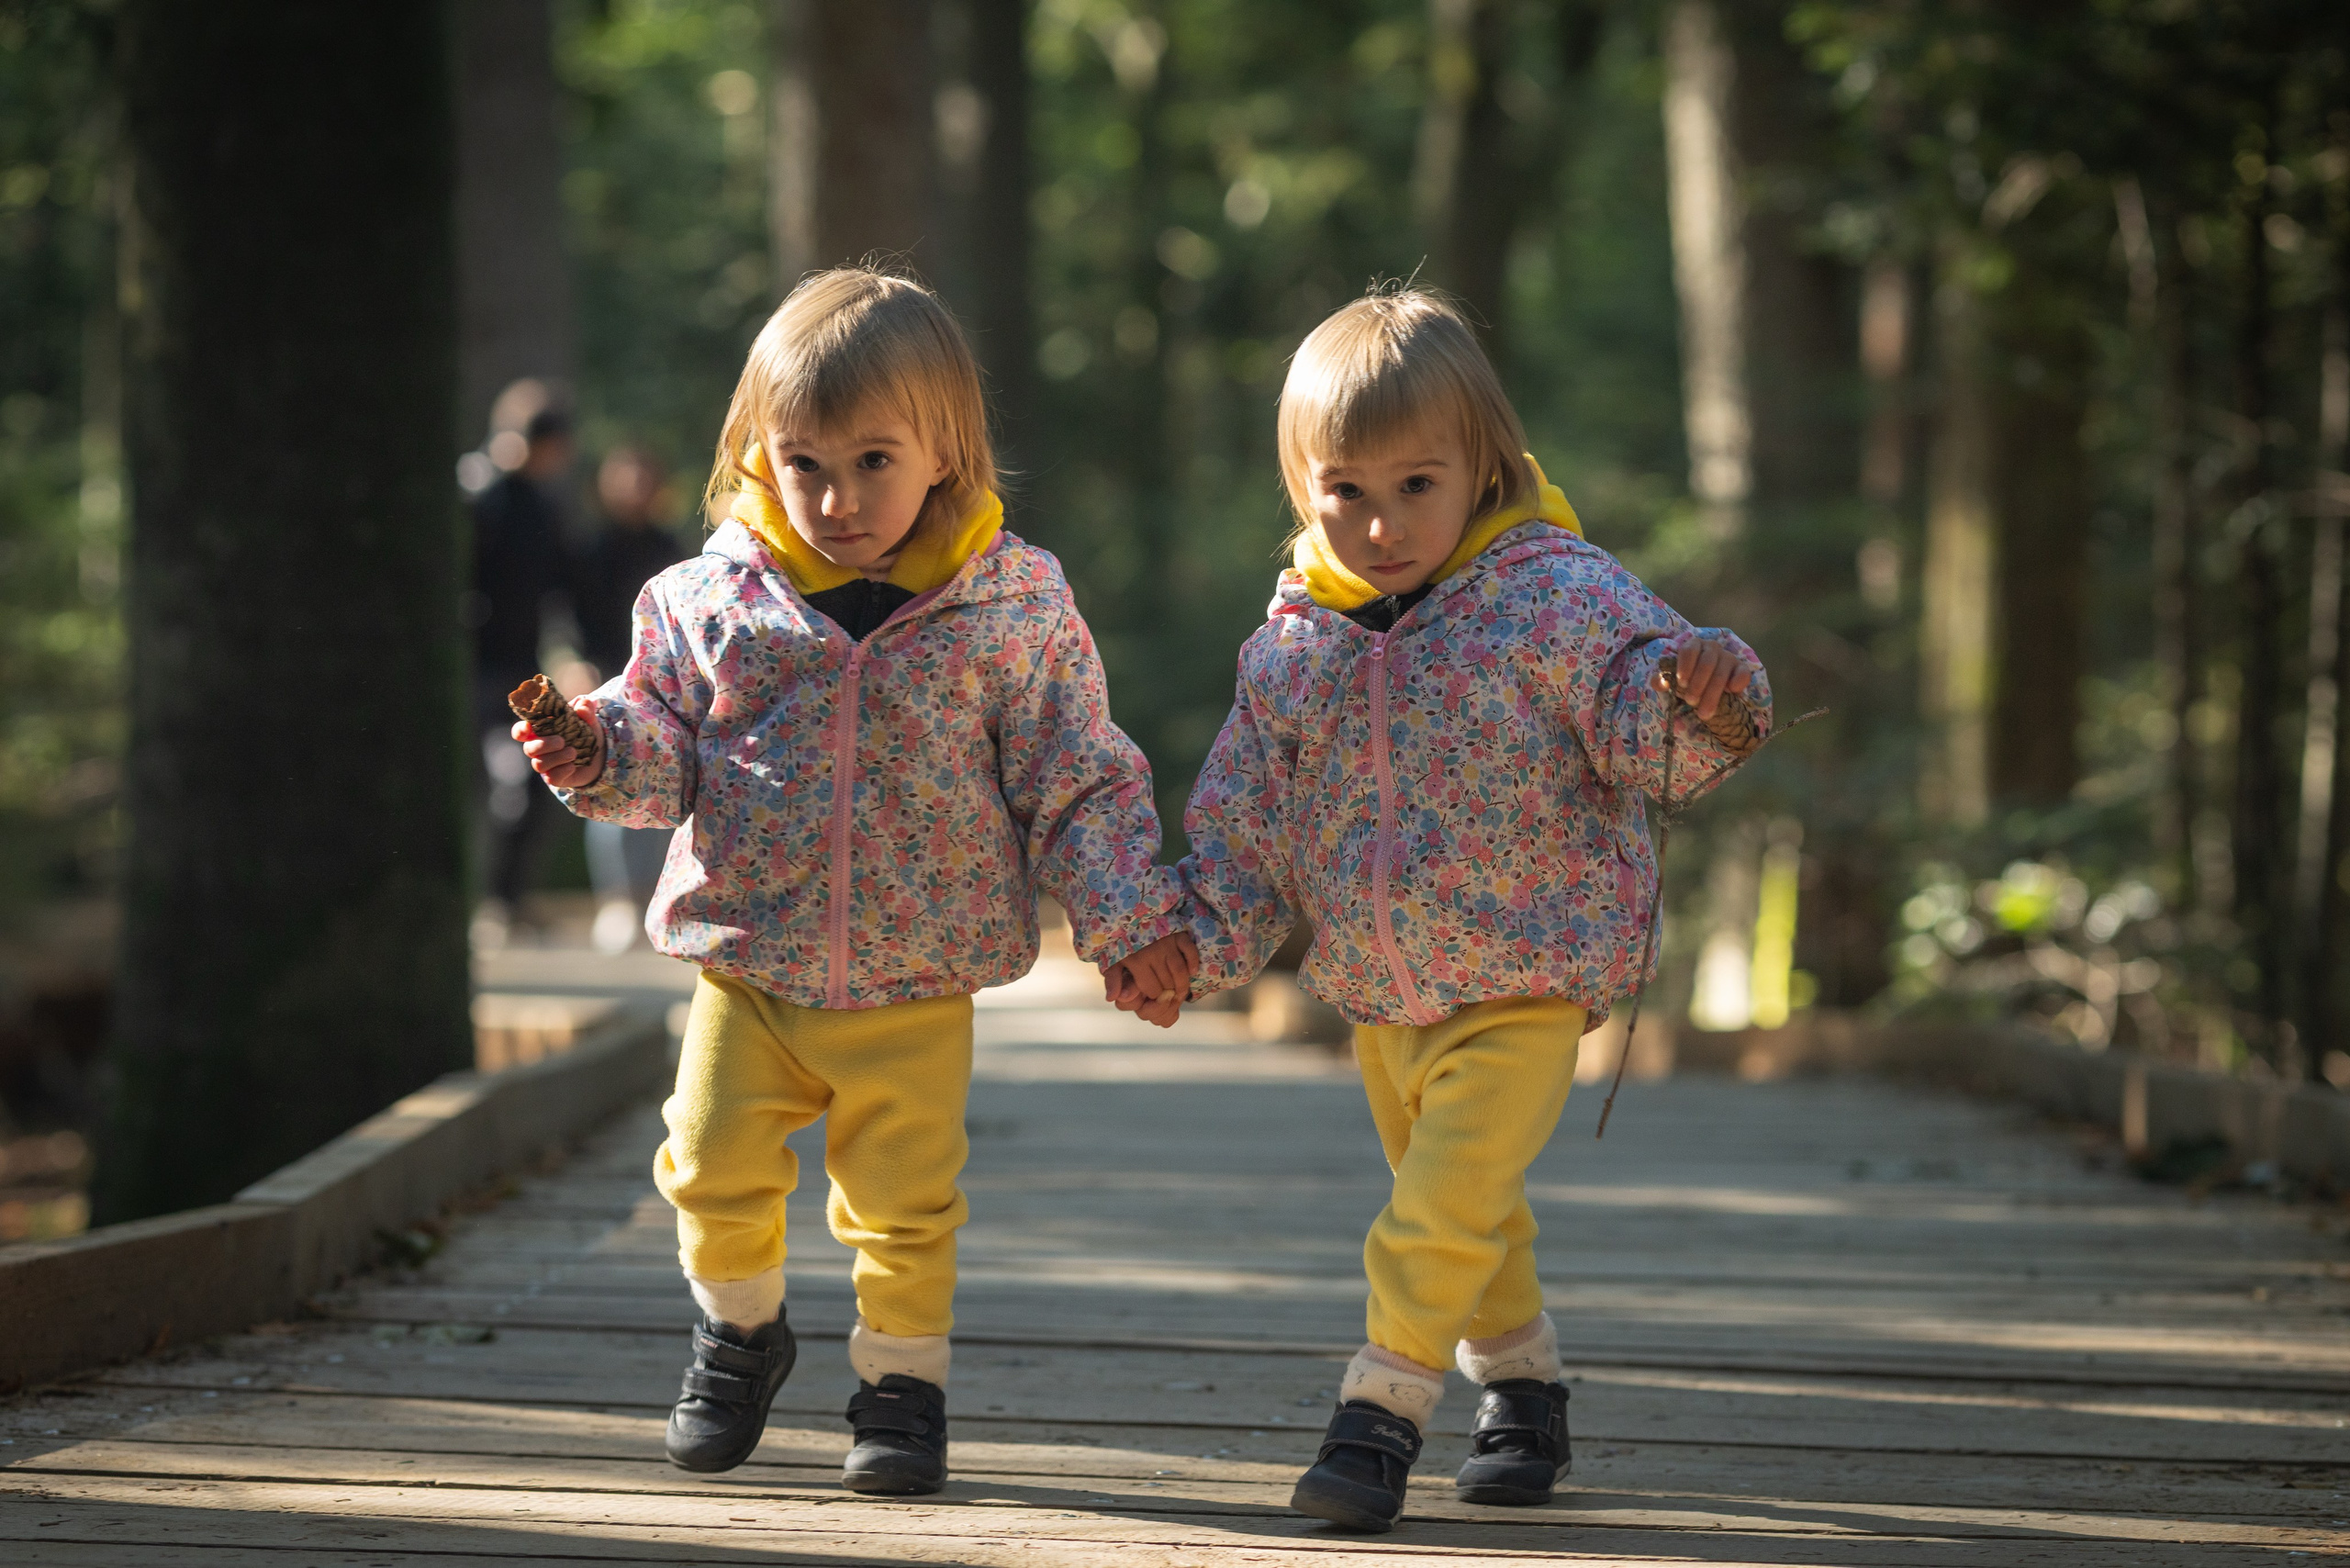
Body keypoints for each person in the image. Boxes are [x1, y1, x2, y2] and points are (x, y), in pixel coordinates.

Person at [510, 268, 1198, 1494]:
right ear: (755, 455)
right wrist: (594, 749)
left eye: (873, 461)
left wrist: (1128, 916)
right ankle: (738, 1333)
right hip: (749, 964)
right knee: (708, 1163)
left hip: (916, 974)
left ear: (944, 451)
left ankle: (901, 1388)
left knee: (904, 1201)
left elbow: (1076, 774)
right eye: (803, 464)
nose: (836, 499)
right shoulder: (704, 600)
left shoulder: (1009, 605)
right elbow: (657, 751)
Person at [1115, 289, 1770, 1531]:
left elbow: (1650, 724)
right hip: (1384, 988)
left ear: (1486, 463)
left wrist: (1712, 702)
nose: (1380, 523)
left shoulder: (1557, 595)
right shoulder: (1298, 643)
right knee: (1468, 1205)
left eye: (1417, 485)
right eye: (1343, 492)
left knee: (1438, 1202)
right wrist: (1190, 948)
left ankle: (1378, 1418)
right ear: (1299, 489)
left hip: (1532, 971)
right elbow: (1247, 827)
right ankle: (1524, 1389)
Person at [468, 381, 578, 951]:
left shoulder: (542, 507)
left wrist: (570, 654)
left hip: (521, 670)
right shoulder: (475, 495)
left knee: (538, 780)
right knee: (508, 781)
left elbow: (559, 588)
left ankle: (509, 900)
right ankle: (493, 903)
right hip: (475, 669)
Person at [574, 445, 691, 954]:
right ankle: (619, 899)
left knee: (667, 785)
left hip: (663, 684)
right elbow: (568, 611)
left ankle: (653, 898)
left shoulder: (669, 546)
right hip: (603, 675)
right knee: (606, 784)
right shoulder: (592, 547)